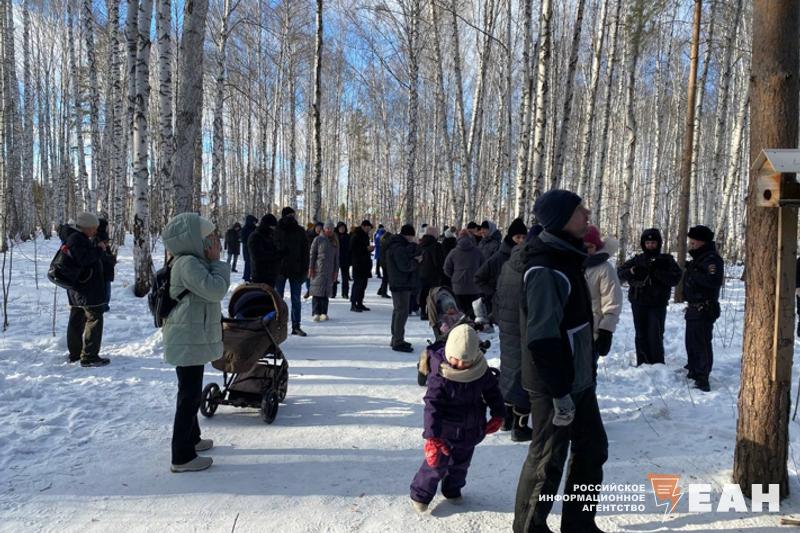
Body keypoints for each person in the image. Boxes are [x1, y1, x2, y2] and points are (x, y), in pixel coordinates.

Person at [514, 190, 608, 533]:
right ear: (560, 218)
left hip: (578, 379)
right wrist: (559, 392)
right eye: (580, 209)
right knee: (547, 460)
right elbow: (542, 339)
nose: (587, 213)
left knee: (592, 449)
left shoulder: (567, 257)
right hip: (555, 385)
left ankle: (579, 525)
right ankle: (529, 529)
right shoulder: (545, 268)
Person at [409, 324, 505, 513]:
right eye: (456, 358)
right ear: (449, 353)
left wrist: (498, 413)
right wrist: (432, 437)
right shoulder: (442, 374)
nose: (460, 364)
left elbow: (492, 391)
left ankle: (452, 490)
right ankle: (420, 494)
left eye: (466, 361)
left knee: (461, 464)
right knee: (436, 465)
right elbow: (432, 405)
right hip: (445, 430)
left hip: (472, 426)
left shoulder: (480, 369)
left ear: (475, 357)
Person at [161, 212, 230, 473]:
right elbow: (215, 290)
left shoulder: (190, 261)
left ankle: (193, 439)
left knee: (190, 390)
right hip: (187, 338)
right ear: (192, 240)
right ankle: (182, 456)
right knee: (188, 397)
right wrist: (218, 262)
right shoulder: (188, 263)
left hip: (189, 336)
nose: (212, 241)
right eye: (207, 237)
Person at [494, 229, 536, 442]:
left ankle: (506, 419)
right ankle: (520, 427)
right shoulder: (533, 268)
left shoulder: (507, 265)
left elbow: (498, 294)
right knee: (525, 375)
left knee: (509, 371)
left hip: (507, 326)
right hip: (525, 327)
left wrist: (499, 317)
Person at [617, 228, 682, 365]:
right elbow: (619, 274)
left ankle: (657, 364)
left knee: (655, 334)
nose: (650, 246)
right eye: (647, 243)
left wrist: (656, 272)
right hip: (639, 302)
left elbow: (676, 278)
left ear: (658, 243)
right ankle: (643, 363)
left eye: (653, 243)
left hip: (658, 303)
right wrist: (632, 271)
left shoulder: (666, 260)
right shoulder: (637, 259)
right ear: (643, 244)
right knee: (641, 334)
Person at [64, 212, 110, 367]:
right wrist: (99, 250)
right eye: (93, 228)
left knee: (77, 319)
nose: (95, 231)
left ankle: (76, 354)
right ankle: (89, 356)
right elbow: (84, 259)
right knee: (94, 318)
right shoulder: (77, 239)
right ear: (85, 227)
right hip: (86, 288)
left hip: (79, 288)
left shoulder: (75, 237)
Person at [683, 225, 724, 392]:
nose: (691, 245)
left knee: (701, 343)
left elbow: (713, 281)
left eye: (694, 242)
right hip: (693, 307)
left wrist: (694, 272)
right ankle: (693, 369)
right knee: (691, 341)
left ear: (702, 242)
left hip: (704, 307)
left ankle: (702, 376)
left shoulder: (711, 259)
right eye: (691, 242)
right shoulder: (699, 259)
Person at [475, 218, 527, 326]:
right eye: (518, 237)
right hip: (502, 311)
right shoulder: (499, 257)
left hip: (522, 310)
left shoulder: (527, 257)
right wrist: (494, 294)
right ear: (511, 237)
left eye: (524, 237)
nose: (521, 241)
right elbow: (478, 278)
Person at [582, 225, 623, 360]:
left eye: (590, 247)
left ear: (597, 246)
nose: (586, 250)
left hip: (593, 333)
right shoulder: (573, 265)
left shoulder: (605, 269)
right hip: (572, 331)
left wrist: (606, 331)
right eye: (583, 246)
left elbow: (612, 301)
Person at [385, 224, 421, 352]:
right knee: (402, 312)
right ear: (408, 235)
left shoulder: (395, 245)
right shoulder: (399, 248)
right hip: (401, 283)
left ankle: (396, 338)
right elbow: (404, 266)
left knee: (398, 311)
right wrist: (416, 261)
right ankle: (398, 340)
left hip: (398, 282)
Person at [275, 207, 310, 336]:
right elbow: (273, 249)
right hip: (280, 270)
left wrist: (305, 269)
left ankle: (296, 326)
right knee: (278, 299)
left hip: (296, 269)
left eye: (292, 215)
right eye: (288, 215)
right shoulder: (277, 230)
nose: (291, 217)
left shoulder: (300, 231)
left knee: (296, 299)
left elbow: (305, 251)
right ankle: (277, 326)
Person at [443, 230, 484, 320]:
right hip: (474, 287)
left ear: (458, 238)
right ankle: (473, 326)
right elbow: (483, 267)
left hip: (458, 286)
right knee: (474, 311)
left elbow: (446, 268)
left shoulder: (453, 252)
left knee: (460, 312)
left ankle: (462, 325)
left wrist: (454, 276)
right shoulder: (477, 252)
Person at [309, 220, 340, 322]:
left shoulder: (334, 241)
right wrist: (311, 268)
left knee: (325, 293)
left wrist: (336, 271)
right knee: (317, 292)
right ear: (324, 229)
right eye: (327, 228)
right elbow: (312, 255)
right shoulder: (318, 239)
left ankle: (323, 312)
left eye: (331, 229)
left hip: (329, 271)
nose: (329, 230)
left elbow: (336, 258)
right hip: (318, 269)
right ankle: (315, 313)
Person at [418, 226, 445, 321]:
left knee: (423, 293)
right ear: (434, 234)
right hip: (433, 274)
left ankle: (423, 311)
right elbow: (439, 261)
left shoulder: (420, 244)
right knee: (432, 295)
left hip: (421, 273)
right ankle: (431, 313)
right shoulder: (436, 246)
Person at [248, 214, 280, 287]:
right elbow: (257, 255)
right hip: (260, 275)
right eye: (272, 227)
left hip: (271, 274)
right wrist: (276, 254)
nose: (273, 229)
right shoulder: (255, 237)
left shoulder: (270, 235)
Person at [350, 219, 374, 312]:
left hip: (365, 264)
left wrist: (369, 249)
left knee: (363, 285)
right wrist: (366, 249)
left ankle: (359, 303)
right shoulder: (356, 235)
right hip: (358, 264)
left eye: (369, 228)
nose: (369, 229)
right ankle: (353, 304)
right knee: (358, 285)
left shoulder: (365, 236)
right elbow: (353, 249)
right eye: (367, 227)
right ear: (363, 226)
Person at [96, 218, 116, 312]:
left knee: (105, 289)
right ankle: (103, 306)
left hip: (105, 269)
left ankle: (103, 306)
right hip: (104, 269)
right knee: (105, 290)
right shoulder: (100, 237)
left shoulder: (99, 235)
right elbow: (103, 255)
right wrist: (110, 259)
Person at [335, 222, 351, 299]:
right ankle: (333, 292)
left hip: (345, 259)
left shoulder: (348, 236)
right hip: (335, 259)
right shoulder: (334, 236)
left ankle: (345, 293)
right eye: (340, 228)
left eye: (343, 228)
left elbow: (350, 249)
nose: (342, 229)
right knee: (334, 277)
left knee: (345, 278)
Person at [240, 215, 258, 281]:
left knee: (254, 263)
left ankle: (251, 276)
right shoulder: (245, 229)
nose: (254, 223)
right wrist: (250, 243)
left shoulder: (255, 228)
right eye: (253, 221)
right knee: (248, 262)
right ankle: (246, 277)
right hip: (247, 248)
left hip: (254, 248)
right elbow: (243, 239)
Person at [377, 229, 392, 298]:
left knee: (385, 278)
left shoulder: (383, 242)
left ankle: (381, 290)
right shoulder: (387, 243)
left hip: (383, 261)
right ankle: (383, 292)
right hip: (386, 262)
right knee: (386, 278)